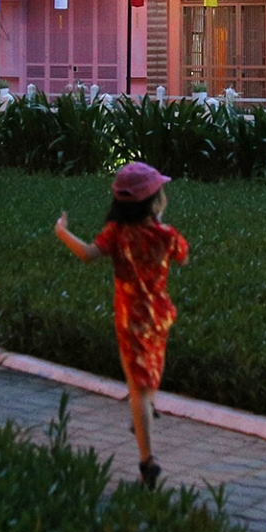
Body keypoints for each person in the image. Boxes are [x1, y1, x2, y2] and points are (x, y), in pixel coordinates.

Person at [53, 161, 188, 490]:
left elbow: (87, 253)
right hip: (159, 316)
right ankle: (148, 410)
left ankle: (147, 462)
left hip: (130, 319)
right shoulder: (166, 235)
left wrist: (62, 231)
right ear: (154, 202)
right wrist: (158, 225)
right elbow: (183, 255)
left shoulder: (117, 234)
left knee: (136, 388)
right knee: (151, 372)